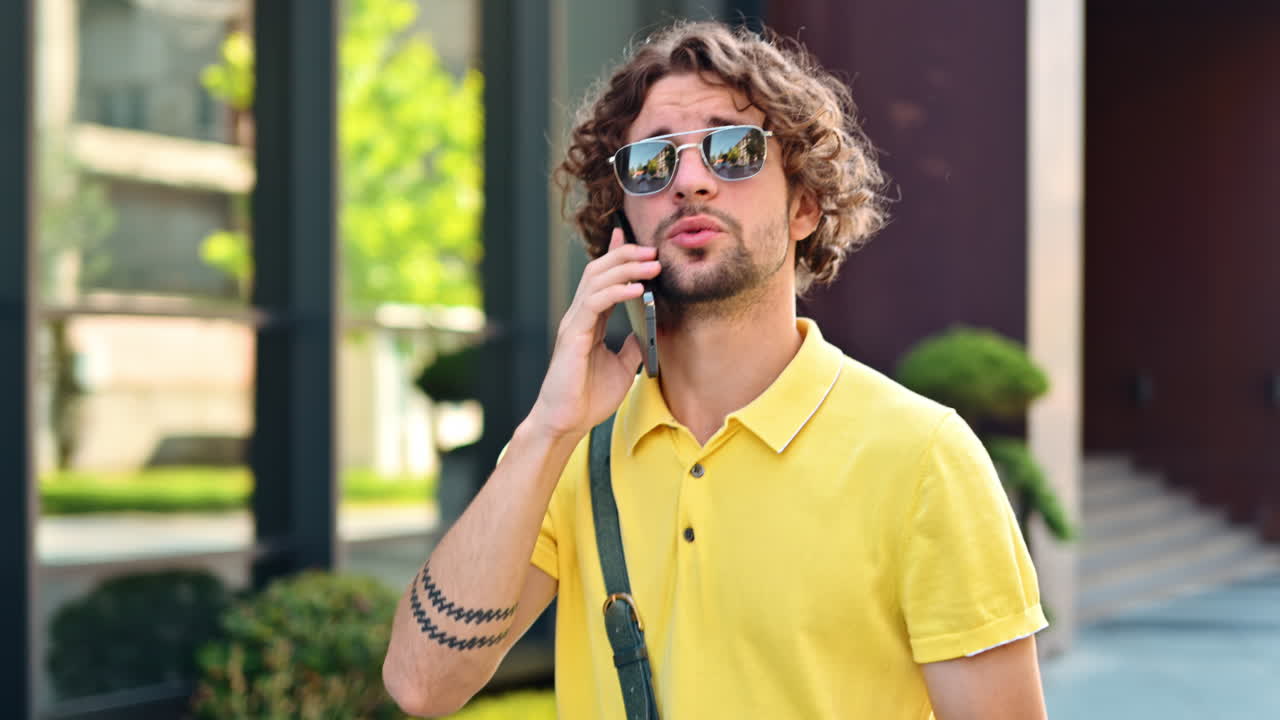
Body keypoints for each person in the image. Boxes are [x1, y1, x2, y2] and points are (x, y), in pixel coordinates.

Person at [383, 20, 1048, 719]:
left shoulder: (922, 458)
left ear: (805, 204)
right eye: (653, 162)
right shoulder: (578, 451)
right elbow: (423, 687)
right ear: (624, 216)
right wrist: (548, 430)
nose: (691, 181)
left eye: (732, 149)